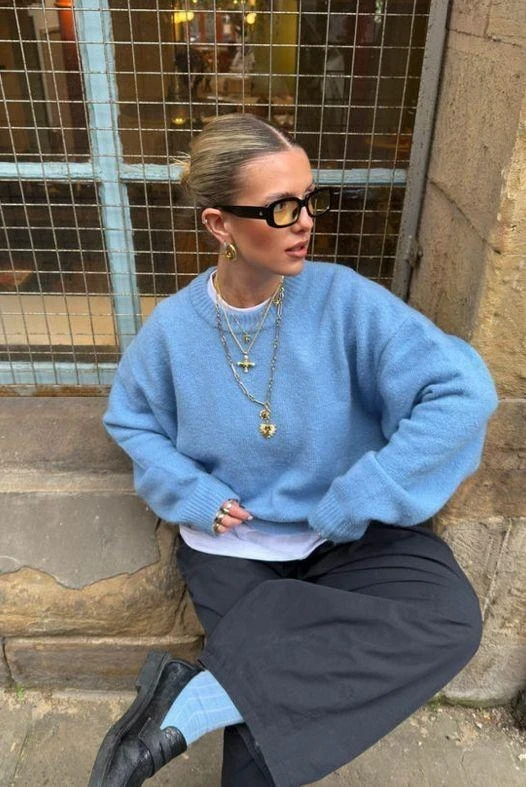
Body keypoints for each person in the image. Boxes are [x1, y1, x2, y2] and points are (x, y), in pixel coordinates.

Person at [88, 113, 498, 787]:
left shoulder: (344, 300)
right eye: (281, 207)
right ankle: (230, 682)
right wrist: (191, 491)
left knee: (448, 619)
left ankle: (191, 699)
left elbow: (464, 391)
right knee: (265, 733)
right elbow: (130, 420)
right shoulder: (173, 331)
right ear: (220, 224)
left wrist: (366, 491)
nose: (305, 221)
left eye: (309, 199)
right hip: (235, 547)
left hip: (348, 535)